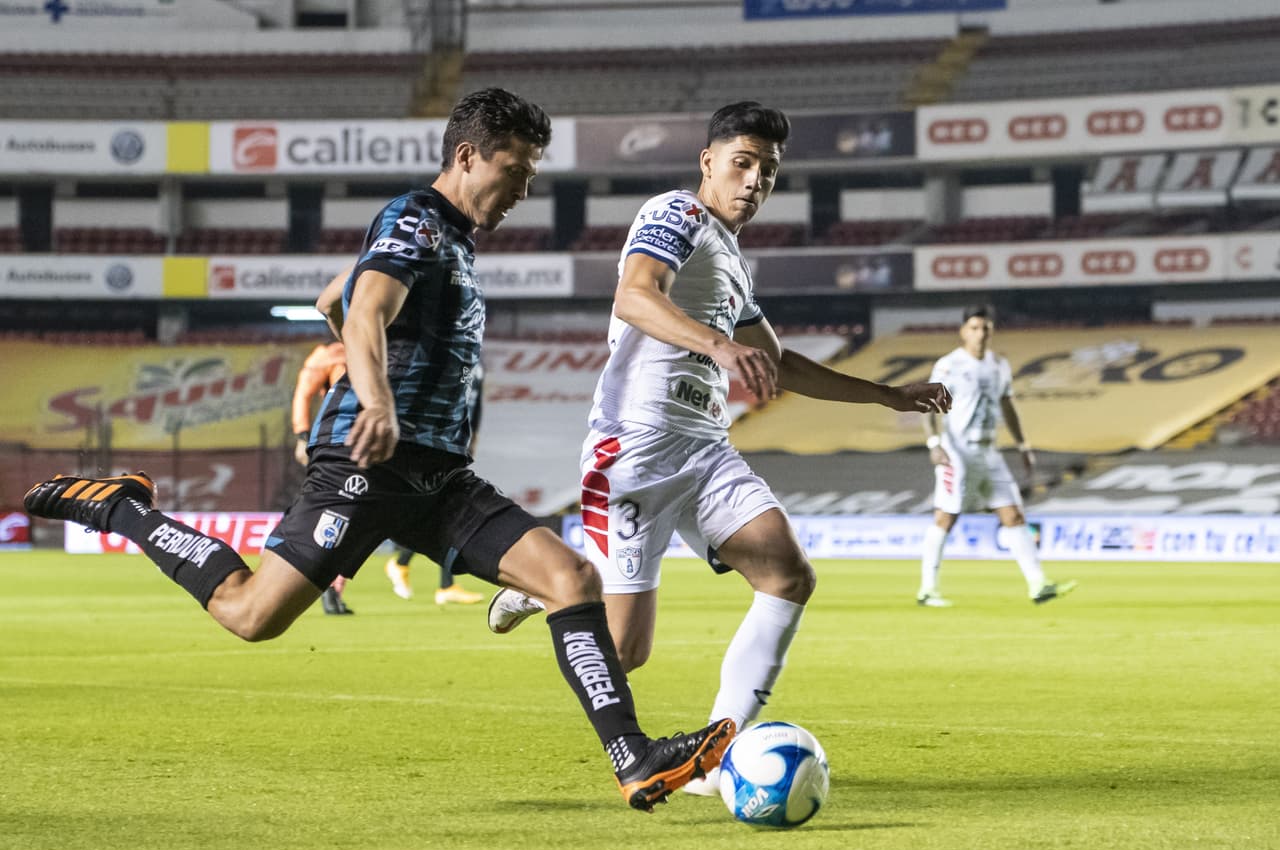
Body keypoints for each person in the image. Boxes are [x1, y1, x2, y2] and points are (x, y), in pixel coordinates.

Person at [23, 87, 734, 811]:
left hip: (440, 477)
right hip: (367, 463)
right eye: (516, 171)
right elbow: (363, 307)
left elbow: (339, 295)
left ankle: (635, 759)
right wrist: (376, 398)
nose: (524, 189)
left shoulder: (451, 240)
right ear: (467, 156)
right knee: (250, 615)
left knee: (572, 579)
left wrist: (360, 328)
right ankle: (125, 507)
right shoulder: (416, 221)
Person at [486, 101, 951, 795]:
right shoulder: (675, 214)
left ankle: (718, 757)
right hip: (635, 445)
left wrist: (886, 395)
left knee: (788, 573)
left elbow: (780, 362)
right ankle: (552, 581)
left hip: (703, 450)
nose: (755, 179)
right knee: (623, 651)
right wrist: (718, 344)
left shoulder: (733, 258)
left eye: (768, 169)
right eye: (742, 162)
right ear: (708, 163)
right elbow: (635, 296)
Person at [916, 304, 1076, 608]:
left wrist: (1023, 445)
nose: (980, 334)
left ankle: (1038, 585)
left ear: (992, 331)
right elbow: (928, 405)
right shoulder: (949, 365)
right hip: (957, 450)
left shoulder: (999, 365)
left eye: (985, 328)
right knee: (946, 517)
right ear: (963, 331)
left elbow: (1007, 406)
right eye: (974, 328)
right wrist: (934, 443)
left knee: (1013, 514)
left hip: (990, 450)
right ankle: (927, 589)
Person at [384, 361, 485, 605]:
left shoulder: (477, 363)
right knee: (443, 508)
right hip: (436, 440)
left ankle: (438, 581)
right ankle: (406, 566)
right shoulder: (446, 355)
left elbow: (476, 402)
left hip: (456, 439)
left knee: (447, 510)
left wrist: (473, 434)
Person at [291, 339, 356, 615]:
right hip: (338, 443)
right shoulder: (329, 355)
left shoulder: (354, 348)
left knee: (344, 519)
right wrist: (302, 434)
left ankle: (331, 589)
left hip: (357, 441)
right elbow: (304, 393)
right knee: (338, 517)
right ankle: (326, 586)